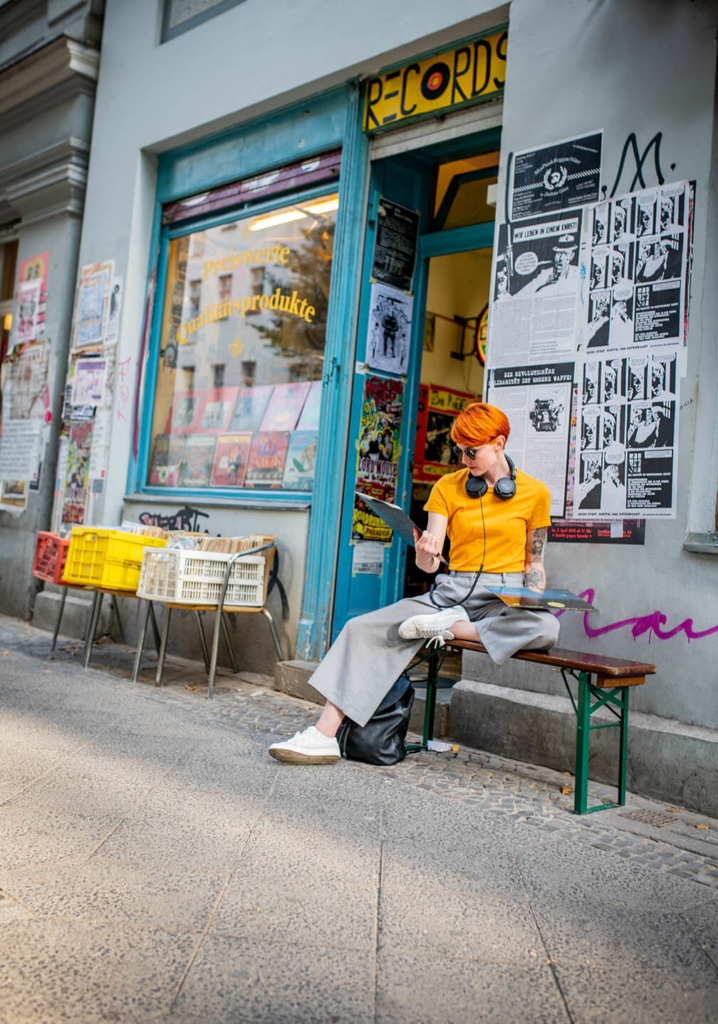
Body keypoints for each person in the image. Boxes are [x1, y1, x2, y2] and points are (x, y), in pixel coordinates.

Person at [269, 403, 561, 764]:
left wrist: (534, 598)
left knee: (547, 627)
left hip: (505, 595)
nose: (465, 459)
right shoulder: (447, 488)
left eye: (473, 451)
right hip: (453, 590)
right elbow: (428, 563)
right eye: (460, 451)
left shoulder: (536, 493)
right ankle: (323, 734)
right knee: (362, 628)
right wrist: (426, 550)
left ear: (499, 443)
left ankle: (453, 628)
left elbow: (535, 563)